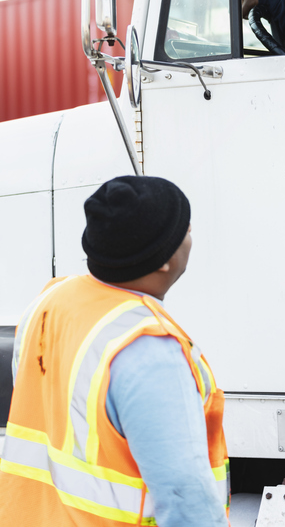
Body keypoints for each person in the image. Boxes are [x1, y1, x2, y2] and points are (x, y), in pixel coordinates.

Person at [0, 176, 230, 527]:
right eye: (186, 229)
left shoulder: (50, 301)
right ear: (164, 259)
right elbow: (186, 498)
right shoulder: (148, 347)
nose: (190, 236)